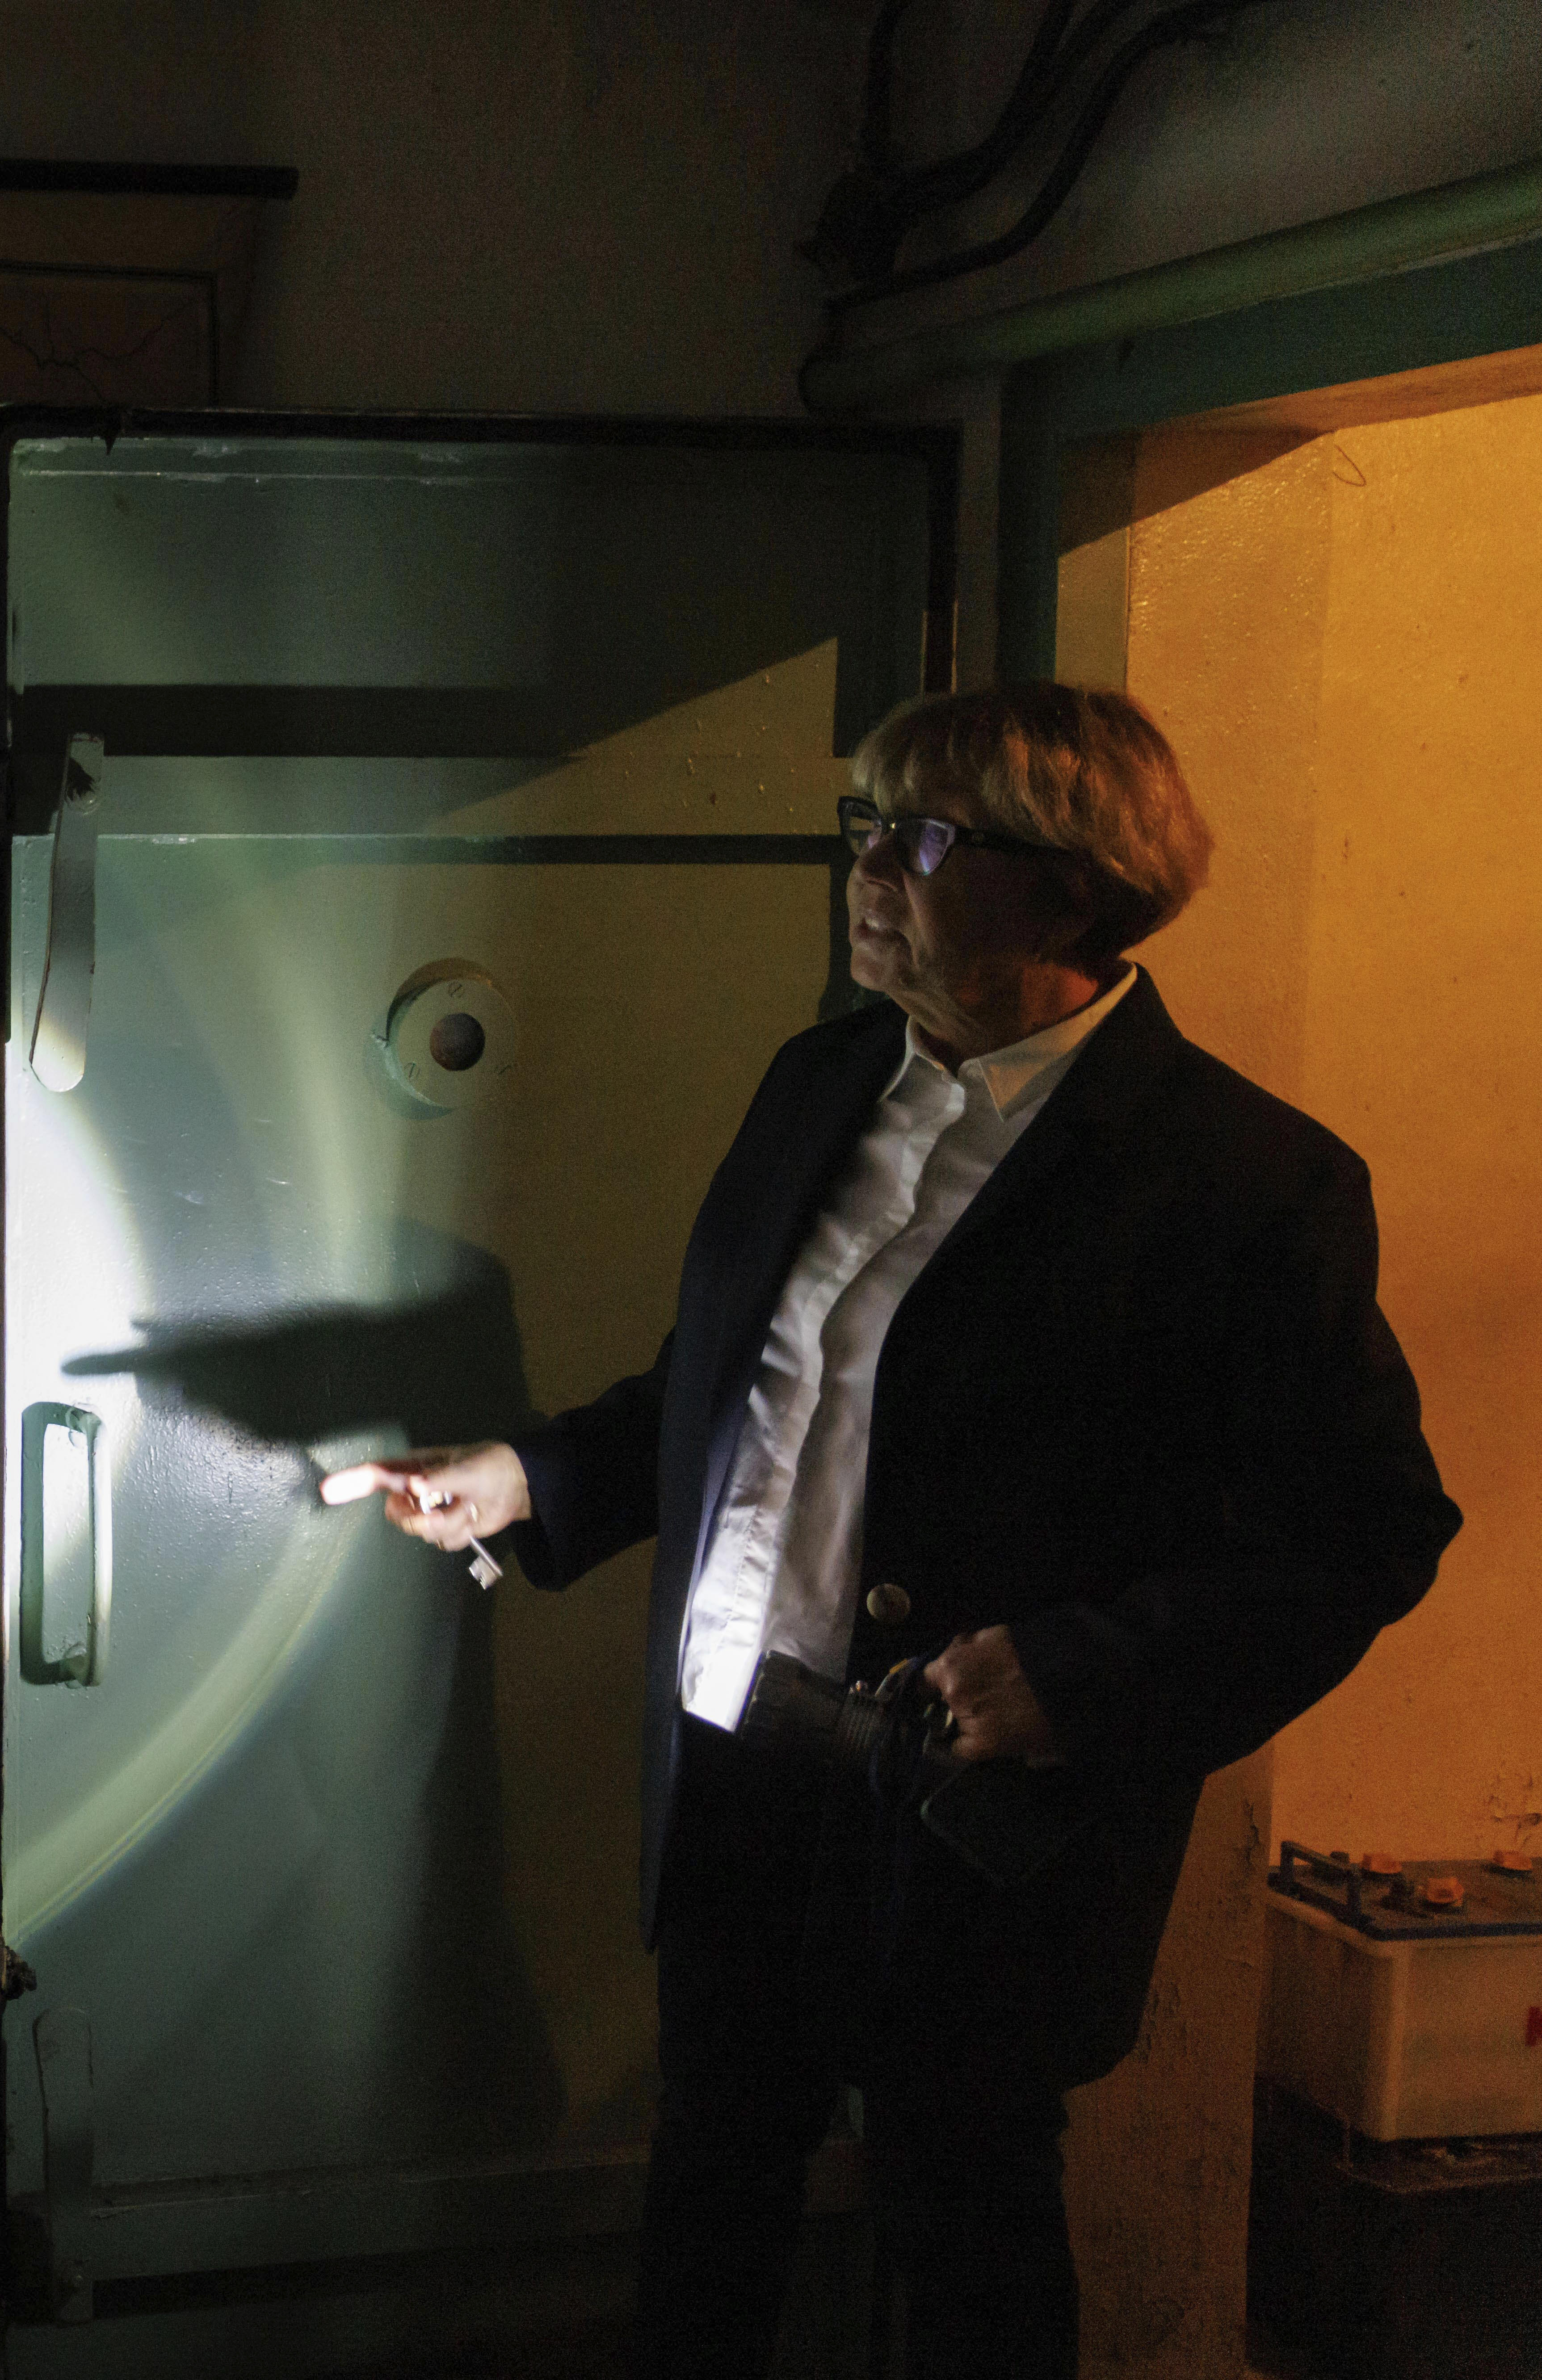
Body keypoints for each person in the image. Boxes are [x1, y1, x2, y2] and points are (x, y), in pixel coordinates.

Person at [325, 684, 1457, 2378]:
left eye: (917, 837)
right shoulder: (824, 1080)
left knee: (968, 2246)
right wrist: (539, 1481)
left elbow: (1366, 1530)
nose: (866, 868)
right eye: (861, 824)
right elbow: (745, 1396)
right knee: (709, 2216)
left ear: (1071, 890)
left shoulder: (1246, 1182)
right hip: (735, 1765)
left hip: (964, 1816)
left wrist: (1079, 1676)